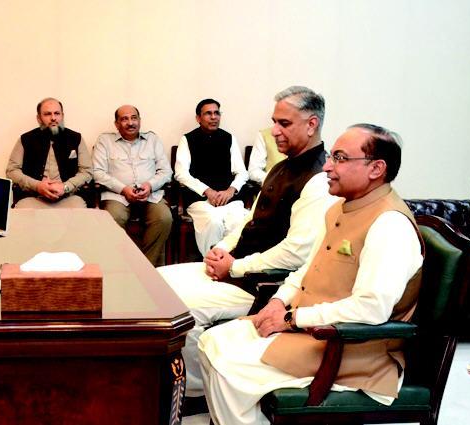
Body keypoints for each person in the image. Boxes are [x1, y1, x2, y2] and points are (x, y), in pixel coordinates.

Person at [198, 124, 423, 425]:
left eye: (340, 158)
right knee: (212, 341)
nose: (327, 166)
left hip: (349, 349)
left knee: (229, 366)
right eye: (331, 157)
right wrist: (278, 302)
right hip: (307, 330)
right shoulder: (339, 209)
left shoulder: (390, 225)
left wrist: (292, 319)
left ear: (376, 169)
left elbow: (371, 308)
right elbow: (307, 268)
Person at [158, 86, 335, 401]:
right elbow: (249, 222)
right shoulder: (280, 168)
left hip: (261, 284)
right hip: (238, 269)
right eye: (274, 122)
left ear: (311, 125)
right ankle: (165, 377)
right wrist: (222, 249)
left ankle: (195, 393)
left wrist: (235, 267)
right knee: (158, 281)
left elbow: (296, 253)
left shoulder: (318, 180)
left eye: (284, 123)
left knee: (180, 308)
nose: (274, 131)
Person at [92, 105, 173, 266]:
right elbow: (97, 172)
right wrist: (123, 189)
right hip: (117, 196)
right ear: (116, 124)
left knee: (164, 218)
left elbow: (166, 171)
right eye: (124, 119)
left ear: (140, 120)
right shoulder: (105, 141)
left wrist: (149, 185)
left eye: (134, 118)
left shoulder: (152, 140)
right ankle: (120, 266)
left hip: (150, 195)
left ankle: (144, 267)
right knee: (113, 219)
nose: (130, 122)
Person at [174, 98, 249, 255]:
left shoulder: (229, 138)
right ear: (198, 118)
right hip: (200, 200)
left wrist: (230, 190)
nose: (214, 117)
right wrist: (207, 191)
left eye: (217, 113)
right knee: (213, 221)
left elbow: (242, 172)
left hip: (228, 199)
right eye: (208, 113)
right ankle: (211, 260)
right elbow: (181, 173)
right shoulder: (187, 139)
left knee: (240, 221)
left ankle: (233, 263)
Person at [6, 98, 92, 208]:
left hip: (69, 197)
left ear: (62, 116)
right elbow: (12, 171)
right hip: (33, 197)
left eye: (57, 113)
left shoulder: (76, 138)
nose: (53, 118)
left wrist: (66, 187)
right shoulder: (26, 139)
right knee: (23, 215)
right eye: (47, 114)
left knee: (79, 215)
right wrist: (37, 186)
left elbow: (87, 171)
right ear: (39, 118)